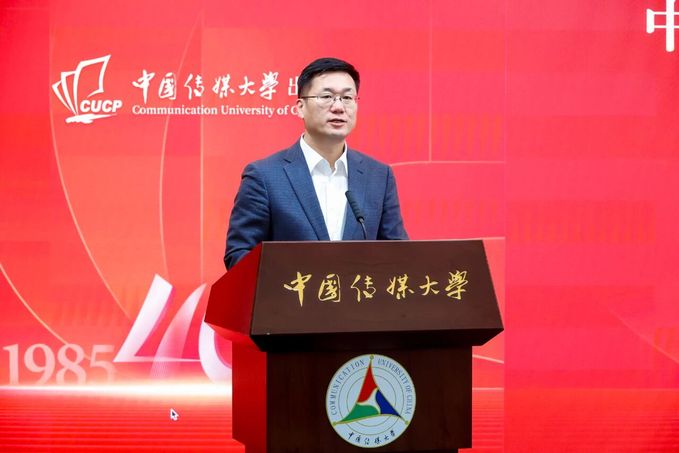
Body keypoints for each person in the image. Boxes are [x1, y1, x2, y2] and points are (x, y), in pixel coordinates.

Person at [224, 57, 408, 269]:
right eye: (327, 96)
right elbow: (239, 255)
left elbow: (399, 254)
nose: (338, 107)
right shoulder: (264, 176)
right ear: (300, 107)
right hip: (292, 290)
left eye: (347, 97)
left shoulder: (379, 176)